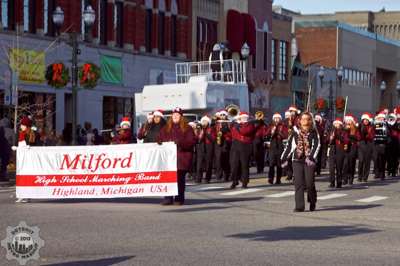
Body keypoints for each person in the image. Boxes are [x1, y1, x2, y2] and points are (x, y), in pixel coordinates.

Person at [281, 112, 320, 212]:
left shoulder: (313, 132)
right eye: (303, 119)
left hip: (309, 161)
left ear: (310, 120)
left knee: (310, 183)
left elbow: (317, 145)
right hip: (297, 160)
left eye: (307, 119)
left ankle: (312, 201)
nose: (304, 121)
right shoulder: (295, 132)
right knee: (298, 183)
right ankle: (299, 206)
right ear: (300, 120)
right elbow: (289, 146)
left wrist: (311, 157)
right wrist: (284, 158)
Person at [158, 107, 196, 205]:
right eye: (174, 115)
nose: (175, 116)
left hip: (181, 157)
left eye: (177, 115)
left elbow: (191, 142)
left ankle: (179, 198)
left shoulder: (188, 128)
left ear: (181, 117)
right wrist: (159, 141)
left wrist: (179, 143)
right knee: (168, 178)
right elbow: (159, 138)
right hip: (169, 158)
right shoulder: (166, 128)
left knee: (179, 179)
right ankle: (168, 198)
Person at [230, 111, 256, 189]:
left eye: (245, 117)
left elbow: (244, 132)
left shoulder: (250, 124)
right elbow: (232, 133)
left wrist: (238, 126)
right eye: (242, 117)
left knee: (244, 165)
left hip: (245, 146)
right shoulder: (236, 124)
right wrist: (230, 126)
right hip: (235, 145)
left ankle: (244, 182)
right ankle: (234, 181)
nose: (243, 119)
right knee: (234, 164)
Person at [265, 113, 288, 185]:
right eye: (275, 118)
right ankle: (270, 178)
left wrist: (280, 133)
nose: (276, 120)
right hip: (272, 146)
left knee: (279, 164)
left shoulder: (283, 126)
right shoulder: (271, 126)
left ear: (280, 119)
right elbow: (266, 134)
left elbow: (285, 135)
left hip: (280, 145)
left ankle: (278, 179)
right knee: (271, 163)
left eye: (278, 118)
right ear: (273, 119)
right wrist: (271, 131)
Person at [328, 118, 349, 188]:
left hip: (340, 150)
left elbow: (346, 140)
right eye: (335, 124)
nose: (336, 125)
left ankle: (339, 182)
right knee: (331, 168)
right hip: (332, 150)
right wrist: (330, 138)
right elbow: (328, 140)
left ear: (340, 124)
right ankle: (332, 182)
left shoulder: (344, 132)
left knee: (339, 168)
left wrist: (338, 136)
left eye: (338, 124)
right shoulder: (332, 131)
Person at [195, 115, 216, 183]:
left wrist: (206, 133)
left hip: (208, 147)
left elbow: (213, 139)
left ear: (208, 122)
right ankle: (198, 178)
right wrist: (200, 133)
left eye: (206, 121)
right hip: (201, 147)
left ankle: (207, 178)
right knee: (199, 164)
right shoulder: (199, 129)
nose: (204, 123)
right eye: (203, 121)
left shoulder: (211, 129)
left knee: (208, 164)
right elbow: (197, 139)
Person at [214, 110, 232, 181]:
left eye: (223, 115)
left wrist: (225, 132)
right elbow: (213, 129)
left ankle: (226, 175)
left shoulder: (229, 123)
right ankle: (219, 175)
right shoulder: (217, 122)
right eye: (221, 115)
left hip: (226, 143)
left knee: (225, 160)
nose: (222, 116)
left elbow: (231, 132)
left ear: (226, 116)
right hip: (218, 142)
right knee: (218, 160)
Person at [343, 114, 360, 185]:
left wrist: (351, 136)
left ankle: (351, 178)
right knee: (345, 164)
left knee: (351, 163)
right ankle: (345, 179)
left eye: (350, 121)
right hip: (345, 148)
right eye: (347, 121)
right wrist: (346, 131)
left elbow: (358, 137)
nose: (348, 122)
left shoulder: (355, 129)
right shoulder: (344, 129)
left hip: (353, 147)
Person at [358, 113, 375, 182]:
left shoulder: (371, 127)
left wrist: (368, 134)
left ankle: (365, 177)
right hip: (361, 145)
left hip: (368, 145)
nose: (365, 121)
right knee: (361, 161)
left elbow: (372, 136)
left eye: (367, 120)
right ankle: (360, 176)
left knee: (367, 162)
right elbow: (358, 136)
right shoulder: (359, 126)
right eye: (364, 120)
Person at [373, 112, 388, 180]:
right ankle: (377, 173)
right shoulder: (374, 124)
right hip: (375, 144)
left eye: (382, 118)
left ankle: (382, 174)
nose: (381, 119)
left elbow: (388, 134)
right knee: (376, 159)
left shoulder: (386, 125)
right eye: (379, 118)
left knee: (382, 159)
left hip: (383, 144)